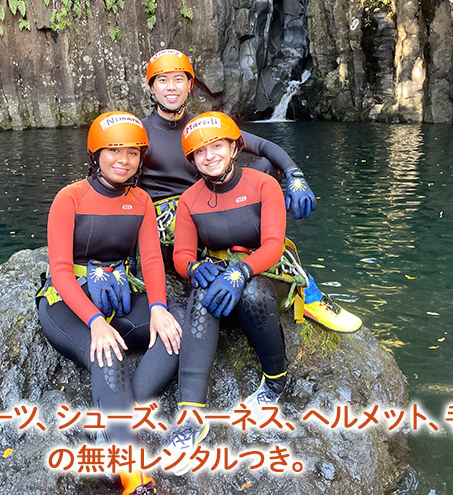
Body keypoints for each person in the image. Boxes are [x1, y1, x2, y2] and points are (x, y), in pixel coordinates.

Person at [139, 49, 361, 333]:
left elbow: (266, 148)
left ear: (190, 85)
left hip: (212, 198)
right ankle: (302, 285)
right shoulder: (140, 131)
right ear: (152, 88)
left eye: (179, 79)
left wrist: (294, 175)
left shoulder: (205, 126)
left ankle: (286, 273)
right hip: (171, 214)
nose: (171, 87)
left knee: (267, 167)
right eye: (163, 80)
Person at [36, 111, 183, 495]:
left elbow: (151, 261)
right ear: (95, 154)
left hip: (119, 292)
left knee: (176, 329)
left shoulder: (141, 201)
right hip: (68, 304)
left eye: (132, 153)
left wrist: (158, 309)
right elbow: (61, 271)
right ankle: (135, 478)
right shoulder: (69, 198)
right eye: (114, 150)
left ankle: (112, 419)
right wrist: (95, 321)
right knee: (107, 353)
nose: (123, 160)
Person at [164, 112, 293, 475]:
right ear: (192, 159)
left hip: (265, 271)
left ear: (235, 147)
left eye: (217, 146)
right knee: (201, 294)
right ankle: (191, 418)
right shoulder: (189, 200)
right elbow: (182, 255)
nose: (209, 156)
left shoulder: (262, 185)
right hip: (220, 272)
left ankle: (275, 382)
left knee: (252, 293)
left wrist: (241, 270)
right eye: (200, 152)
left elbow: (273, 245)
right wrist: (192, 269)